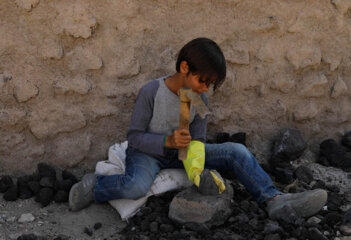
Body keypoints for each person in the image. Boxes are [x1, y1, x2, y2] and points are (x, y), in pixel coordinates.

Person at [69, 38, 327, 219]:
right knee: (136, 186)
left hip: (182, 153)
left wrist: (196, 167)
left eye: (210, 84)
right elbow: (134, 138)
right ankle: (95, 187)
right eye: (202, 81)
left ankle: (274, 199)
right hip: (148, 153)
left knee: (236, 151)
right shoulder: (151, 91)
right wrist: (167, 142)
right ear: (184, 68)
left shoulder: (200, 99)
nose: (205, 89)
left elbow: (199, 139)